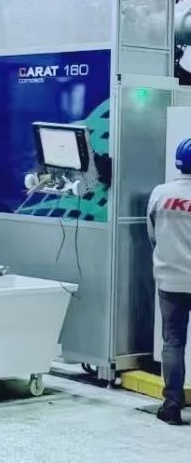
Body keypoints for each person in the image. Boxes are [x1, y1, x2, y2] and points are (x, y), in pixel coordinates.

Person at [146, 138, 191, 426]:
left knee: (173, 342)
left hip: (170, 280)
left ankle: (172, 406)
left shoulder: (160, 194)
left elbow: (152, 234)